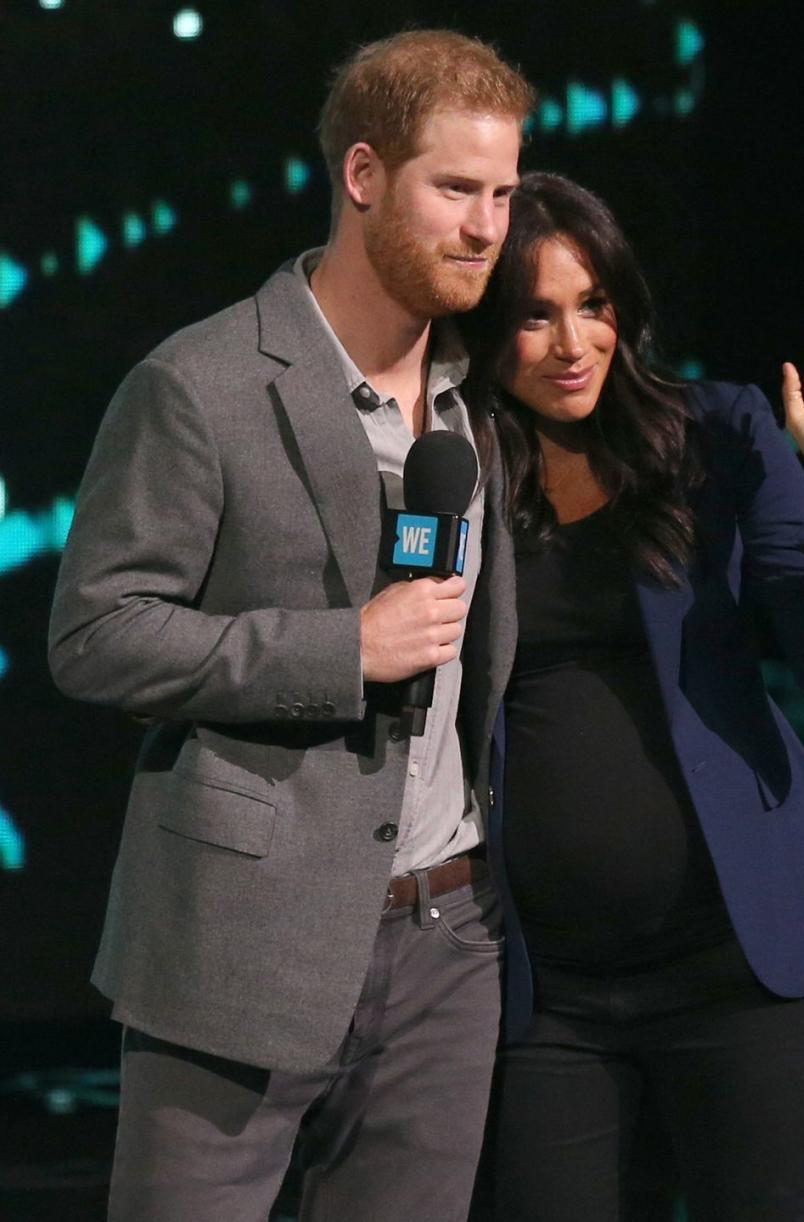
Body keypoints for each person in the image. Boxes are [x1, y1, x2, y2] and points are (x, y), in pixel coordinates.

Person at [47, 30, 533, 1222]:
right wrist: (340, 650)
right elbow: (96, 634)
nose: (485, 227)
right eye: (455, 189)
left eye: (505, 195)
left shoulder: (476, 403)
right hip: (240, 944)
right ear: (364, 176)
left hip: (445, 936)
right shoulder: (203, 382)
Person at [462, 172, 804, 1222]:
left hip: (740, 966)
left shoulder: (720, 434)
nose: (573, 343)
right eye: (535, 313)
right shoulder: (453, 466)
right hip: (544, 991)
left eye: (593, 305)